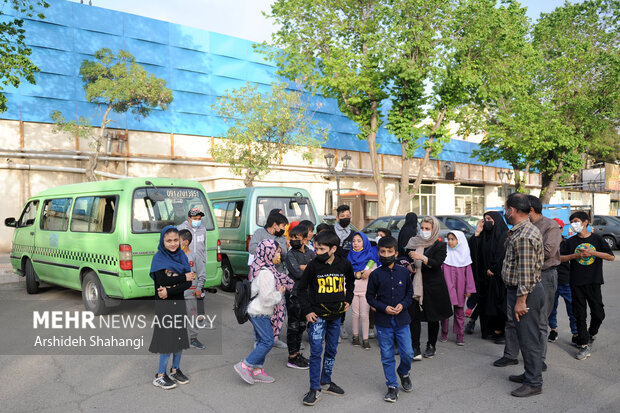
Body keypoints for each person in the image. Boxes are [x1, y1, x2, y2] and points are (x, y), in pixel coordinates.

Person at [296, 230, 355, 406]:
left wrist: (348, 299)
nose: (317, 252)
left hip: (336, 317)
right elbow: (301, 289)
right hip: (317, 318)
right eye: (316, 248)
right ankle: (315, 388)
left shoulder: (344, 264)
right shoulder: (313, 266)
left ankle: (326, 382)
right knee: (315, 352)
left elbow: (351, 282)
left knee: (331, 350)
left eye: (321, 249)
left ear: (333, 248)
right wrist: (307, 311)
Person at [499, 193, 545, 397]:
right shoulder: (520, 231)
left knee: (529, 339)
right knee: (526, 336)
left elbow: (526, 274)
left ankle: (534, 382)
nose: (505, 211)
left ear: (512, 210)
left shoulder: (524, 235)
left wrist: (521, 301)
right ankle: (530, 374)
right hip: (522, 292)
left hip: (525, 293)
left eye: (506, 208)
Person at [514, 195, 561, 370]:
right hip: (525, 275)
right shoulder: (522, 226)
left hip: (545, 275)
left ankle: (538, 361)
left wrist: (526, 252)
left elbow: (549, 251)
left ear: (530, 210)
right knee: (524, 321)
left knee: (541, 321)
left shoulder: (550, 226)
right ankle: (526, 361)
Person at [560, 211, 615, 360]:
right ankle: (583, 344)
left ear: (585, 222)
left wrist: (593, 252)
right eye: (572, 222)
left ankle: (591, 333)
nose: (573, 224)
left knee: (598, 314)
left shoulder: (597, 239)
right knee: (580, 314)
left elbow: (611, 256)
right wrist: (575, 256)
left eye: (576, 221)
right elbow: (559, 258)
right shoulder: (570, 242)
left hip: (594, 281)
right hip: (576, 282)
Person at [366, 236, 414, 403]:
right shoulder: (375, 275)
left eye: (389, 252)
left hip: (402, 320)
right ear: (378, 253)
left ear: (396, 253)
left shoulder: (404, 272)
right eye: (382, 252)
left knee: (408, 353)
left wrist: (403, 305)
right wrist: (383, 307)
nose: (386, 255)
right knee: (387, 355)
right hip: (383, 322)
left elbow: (410, 294)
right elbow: (370, 298)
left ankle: (404, 372)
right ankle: (392, 386)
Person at [234, 240, 287, 385]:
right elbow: (266, 299)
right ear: (268, 253)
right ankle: (245, 365)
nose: (279, 254)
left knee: (260, 341)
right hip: (259, 312)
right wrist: (280, 293)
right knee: (268, 341)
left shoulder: (263, 269)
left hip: (259, 311)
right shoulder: (266, 274)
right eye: (276, 251)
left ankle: (257, 371)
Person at [149, 226, 195, 389]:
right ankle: (160, 375)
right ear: (162, 241)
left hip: (178, 302)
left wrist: (169, 290)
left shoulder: (182, 256)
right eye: (169, 240)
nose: (173, 243)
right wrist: (182, 278)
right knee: (167, 339)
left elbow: (189, 283)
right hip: (164, 305)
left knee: (180, 338)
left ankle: (175, 370)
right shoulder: (158, 258)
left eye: (176, 240)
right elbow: (162, 281)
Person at [406, 216, 452, 359]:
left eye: (427, 229)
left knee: (433, 317)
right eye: (422, 228)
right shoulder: (414, 242)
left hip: (433, 286)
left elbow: (437, 263)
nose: (424, 231)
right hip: (416, 284)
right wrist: (410, 265)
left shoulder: (440, 245)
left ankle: (431, 345)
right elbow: (407, 258)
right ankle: (415, 347)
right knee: (414, 317)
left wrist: (423, 258)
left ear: (434, 230)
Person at [248, 212, 290, 348]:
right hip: (262, 275)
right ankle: (258, 339)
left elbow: (284, 253)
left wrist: (280, 251)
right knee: (261, 309)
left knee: (278, 308)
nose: (284, 229)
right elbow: (252, 248)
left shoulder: (281, 237)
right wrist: (270, 248)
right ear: (275, 225)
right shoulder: (259, 233)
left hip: (278, 275)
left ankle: (274, 337)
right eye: (282, 225)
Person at [468, 211, 509, 345]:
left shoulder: (504, 235)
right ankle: (488, 330)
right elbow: (474, 250)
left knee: (498, 305)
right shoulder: (484, 235)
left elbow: (502, 254)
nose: (486, 221)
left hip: (498, 278)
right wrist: (477, 233)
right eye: (485, 219)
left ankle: (500, 331)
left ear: (496, 220)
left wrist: (493, 268)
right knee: (485, 303)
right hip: (484, 277)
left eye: (489, 219)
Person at [285, 224, 316, 369]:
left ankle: (297, 354)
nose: (292, 240)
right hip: (294, 294)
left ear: (304, 239)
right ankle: (292, 357)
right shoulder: (290, 254)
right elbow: (297, 273)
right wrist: (307, 268)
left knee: (302, 325)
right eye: (291, 237)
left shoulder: (310, 252)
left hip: (307, 295)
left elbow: (316, 269)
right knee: (293, 326)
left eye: (296, 238)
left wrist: (304, 267)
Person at [440, 231, 476, 345]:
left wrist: (469, 289)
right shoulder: (445, 254)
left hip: (460, 287)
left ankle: (460, 335)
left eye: (453, 239)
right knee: (445, 312)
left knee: (459, 311)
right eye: (448, 239)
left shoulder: (464, 255)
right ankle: (444, 333)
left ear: (459, 240)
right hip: (446, 287)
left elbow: (469, 274)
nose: (450, 241)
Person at [547, 218, 578, 345]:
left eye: (557, 228)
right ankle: (553, 330)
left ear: (562, 229)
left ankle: (576, 333)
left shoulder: (568, 243)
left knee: (572, 309)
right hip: (550, 281)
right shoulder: (546, 242)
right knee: (551, 309)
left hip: (566, 281)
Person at [347, 232, 379, 350]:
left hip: (366, 290)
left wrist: (369, 271)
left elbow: (375, 269)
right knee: (355, 314)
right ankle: (355, 336)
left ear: (364, 242)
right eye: (354, 241)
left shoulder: (370, 255)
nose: (355, 243)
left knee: (364, 314)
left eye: (359, 241)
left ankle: (365, 339)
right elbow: (346, 273)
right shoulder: (349, 256)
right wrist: (356, 274)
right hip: (353, 289)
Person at [177, 207, 207, 322]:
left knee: (199, 292)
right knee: (187, 293)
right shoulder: (181, 229)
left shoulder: (202, 229)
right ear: (189, 219)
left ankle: (200, 317)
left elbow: (203, 247)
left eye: (199, 219)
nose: (198, 221)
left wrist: (203, 262)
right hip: (186, 264)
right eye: (195, 218)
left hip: (198, 264)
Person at [178, 229, 206, 349]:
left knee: (192, 317)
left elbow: (202, 275)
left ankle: (193, 339)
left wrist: (199, 288)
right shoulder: (174, 257)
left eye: (178, 240)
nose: (175, 243)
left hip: (191, 294)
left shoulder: (195, 257)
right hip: (177, 293)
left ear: (186, 242)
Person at [334, 204, 355, 341]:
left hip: (346, 270)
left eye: (347, 216)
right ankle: (332, 326)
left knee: (343, 297)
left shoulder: (353, 235)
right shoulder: (330, 232)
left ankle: (341, 325)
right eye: (343, 216)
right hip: (331, 269)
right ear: (337, 218)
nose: (345, 218)